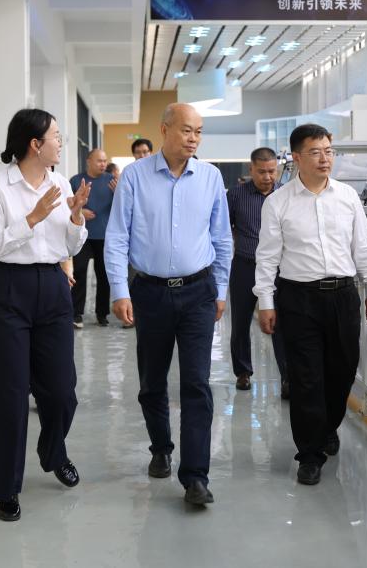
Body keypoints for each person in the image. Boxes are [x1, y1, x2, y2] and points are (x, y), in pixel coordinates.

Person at [105, 103, 232, 507]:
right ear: (164, 130)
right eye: (186, 130)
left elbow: (222, 238)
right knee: (152, 381)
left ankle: (195, 476)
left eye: (199, 131)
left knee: (196, 383)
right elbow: (117, 236)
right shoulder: (135, 177)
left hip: (198, 292)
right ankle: (160, 447)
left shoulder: (210, 178)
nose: (194, 138)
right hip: (150, 292)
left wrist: (221, 290)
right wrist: (119, 290)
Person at [0, 108, 91, 522]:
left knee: (61, 391)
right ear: (34, 144)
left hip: (53, 287)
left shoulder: (59, 183)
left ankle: (52, 451)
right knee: (7, 396)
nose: (61, 142)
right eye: (56, 136)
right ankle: (6, 488)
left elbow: (70, 247)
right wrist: (32, 218)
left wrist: (75, 217)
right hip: (7, 290)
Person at [254, 123, 367, 486]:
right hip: (298, 298)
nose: (324, 158)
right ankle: (309, 454)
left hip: (343, 296)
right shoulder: (278, 202)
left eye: (328, 151)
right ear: (296, 158)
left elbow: (363, 246)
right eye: (315, 152)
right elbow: (267, 256)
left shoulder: (347, 197)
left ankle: (327, 427)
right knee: (306, 377)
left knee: (343, 370)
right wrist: (265, 300)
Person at [226, 147, 288, 396]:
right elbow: (224, 228)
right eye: (261, 172)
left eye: (272, 171)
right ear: (251, 169)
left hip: (279, 269)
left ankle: (287, 377)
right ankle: (243, 372)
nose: (267, 177)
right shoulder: (236, 195)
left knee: (281, 323)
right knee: (240, 322)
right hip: (245, 266)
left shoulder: (285, 194)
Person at [70, 149, 116, 329]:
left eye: (105, 161)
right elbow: (66, 205)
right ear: (88, 161)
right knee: (79, 273)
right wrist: (80, 211)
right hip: (82, 236)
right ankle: (76, 314)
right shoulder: (76, 180)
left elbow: (123, 206)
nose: (103, 164)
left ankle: (102, 314)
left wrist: (119, 192)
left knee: (103, 276)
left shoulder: (112, 181)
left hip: (104, 236)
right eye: (99, 161)